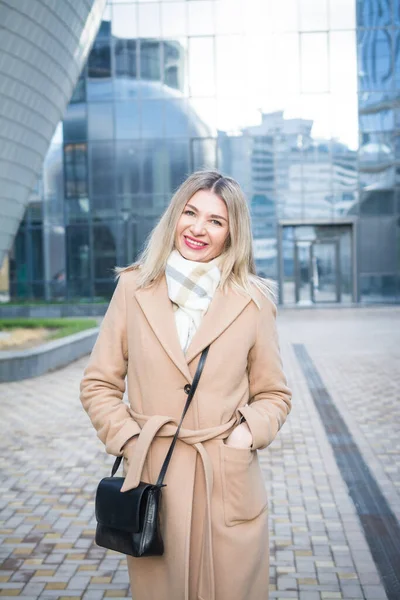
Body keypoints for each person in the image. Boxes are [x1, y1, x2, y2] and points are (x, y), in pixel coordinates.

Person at [79, 170, 292, 600]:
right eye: (190, 213)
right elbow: (98, 384)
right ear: (174, 216)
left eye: (216, 220)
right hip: (156, 480)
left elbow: (274, 393)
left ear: (233, 232)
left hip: (226, 482)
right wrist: (131, 440)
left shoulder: (253, 301)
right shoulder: (133, 288)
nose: (198, 228)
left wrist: (245, 435)